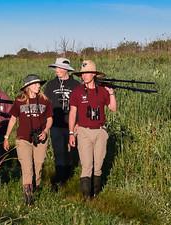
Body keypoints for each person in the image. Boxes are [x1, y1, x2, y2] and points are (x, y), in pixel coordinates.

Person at [68, 60, 117, 199]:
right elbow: (72, 113)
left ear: (94, 74)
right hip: (83, 131)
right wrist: (71, 133)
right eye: (82, 73)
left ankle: (96, 193)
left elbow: (113, 108)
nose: (84, 76)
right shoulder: (77, 92)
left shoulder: (102, 91)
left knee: (98, 165)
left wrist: (111, 93)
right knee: (86, 164)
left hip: (100, 132)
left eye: (87, 73)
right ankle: (86, 197)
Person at [3, 74, 53, 205]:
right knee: (27, 168)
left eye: (39, 84)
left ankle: (34, 189)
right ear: (28, 86)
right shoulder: (19, 101)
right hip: (23, 139)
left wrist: (45, 131)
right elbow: (13, 118)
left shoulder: (44, 100)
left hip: (40, 138)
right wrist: (6, 137)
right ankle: (28, 199)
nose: (38, 86)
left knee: (38, 166)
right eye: (35, 84)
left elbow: (50, 118)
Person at [44, 58, 80, 188]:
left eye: (59, 68)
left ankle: (69, 176)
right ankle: (59, 179)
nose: (57, 70)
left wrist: (78, 123)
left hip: (71, 124)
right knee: (59, 151)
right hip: (56, 124)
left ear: (66, 70)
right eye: (56, 68)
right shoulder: (51, 85)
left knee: (71, 152)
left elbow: (81, 105)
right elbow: (46, 104)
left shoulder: (76, 85)